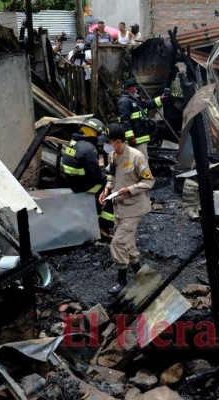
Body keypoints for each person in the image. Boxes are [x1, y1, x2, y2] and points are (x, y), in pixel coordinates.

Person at [98, 123, 155, 295]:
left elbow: (149, 182)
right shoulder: (112, 156)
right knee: (127, 241)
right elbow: (112, 175)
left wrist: (128, 189)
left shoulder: (136, 156)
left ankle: (121, 278)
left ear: (118, 141)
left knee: (118, 242)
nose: (105, 145)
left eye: (108, 141)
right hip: (119, 207)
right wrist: (107, 189)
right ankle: (139, 272)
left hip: (134, 208)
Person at [61, 118, 114, 240]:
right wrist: (106, 179)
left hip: (73, 182)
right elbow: (96, 174)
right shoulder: (89, 148)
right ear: (94, 132)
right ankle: (103, 226)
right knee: (109, 191)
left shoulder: (74, 141)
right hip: (85, 186)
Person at [118, 77, 168, 160]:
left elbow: (146, 104)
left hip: (141, 137)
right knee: (142, 162)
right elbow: (125, 120)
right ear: (131, 88)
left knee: (141, 160)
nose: (137, 90)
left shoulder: (134, 99)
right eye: (135, 88)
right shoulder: (125, 101)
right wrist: (130, 137)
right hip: (136, 139)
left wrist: (160, 99)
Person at [68, 36, 92, 103]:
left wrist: (86, 62)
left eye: (81, 42)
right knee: (76, 94)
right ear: (76, 43)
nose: (80, 44)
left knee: (87, 94)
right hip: (75, 77)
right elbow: (70, 64)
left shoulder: (88, 52)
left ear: (84, 43)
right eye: (78, 42)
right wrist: (75, 55)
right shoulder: (71, 52)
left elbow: (90, 65)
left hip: (86, 76)